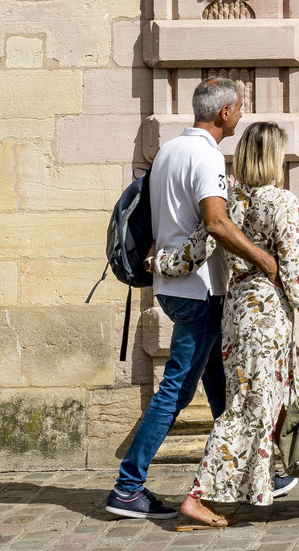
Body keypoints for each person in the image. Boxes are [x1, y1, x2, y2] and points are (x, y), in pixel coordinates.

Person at [158, 118, 299, 525]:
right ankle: (200, 497)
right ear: (273, 158)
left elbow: (194, 251)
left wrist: (158, 264)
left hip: (237, 311)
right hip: (268, 317)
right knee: (248, 409)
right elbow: (295, 271)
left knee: (280, 403)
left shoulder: (226, 199)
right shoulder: (282, 202)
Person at [105, 78, 282, 521]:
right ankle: (128, 486)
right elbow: (217, 224)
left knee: (220, 385)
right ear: (223, 112)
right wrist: (264, 259)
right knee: (175, 392)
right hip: (199, 291)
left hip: (173, 287)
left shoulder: (167, 152)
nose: (241, 114)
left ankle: (253, 470)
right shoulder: (205, 156)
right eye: (239, 108)